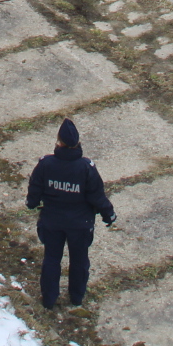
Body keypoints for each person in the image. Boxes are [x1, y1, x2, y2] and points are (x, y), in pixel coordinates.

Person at [27, 118, 117, 310]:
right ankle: (76, 297)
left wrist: (32, 203)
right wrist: (108, 214)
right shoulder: (86, 167)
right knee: (79, 260)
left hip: (52, 221)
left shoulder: (46, 164)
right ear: (78, 143)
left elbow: (35, 187)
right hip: (80, 224)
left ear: (58, 142)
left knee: (51, 259)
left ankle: (49, 299)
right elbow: (97, 195)